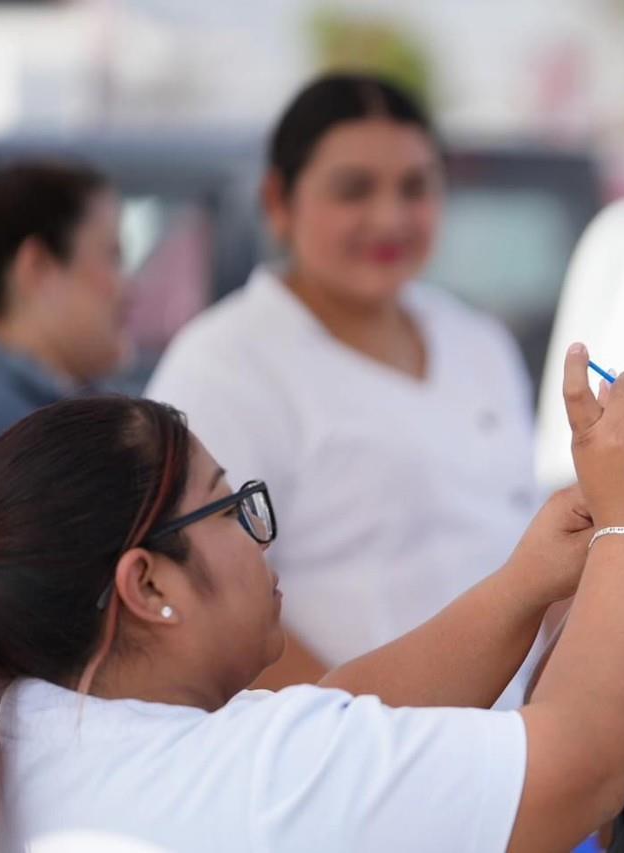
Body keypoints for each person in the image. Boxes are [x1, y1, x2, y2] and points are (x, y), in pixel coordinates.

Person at [0, 347, 624, 853]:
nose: (260, 535)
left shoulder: (31, 721)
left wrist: (525, 582)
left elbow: (339, 719)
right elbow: (587, 758)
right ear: (146, 584)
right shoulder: (254, 785)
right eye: (229, 507)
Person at [145, 73, 543, 702]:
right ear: (278, 200)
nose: (389, 218)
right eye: (353, 189)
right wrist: (357, 734)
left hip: (520, 753)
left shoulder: (478, 341)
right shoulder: (224, 363)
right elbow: (204, 604)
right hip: (354, 767)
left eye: (415, 188)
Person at [0, 162, 128, 436]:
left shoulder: (54, 409)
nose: (128, 288)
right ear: (37, 268)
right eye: (111, 257)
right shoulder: (19, 435)